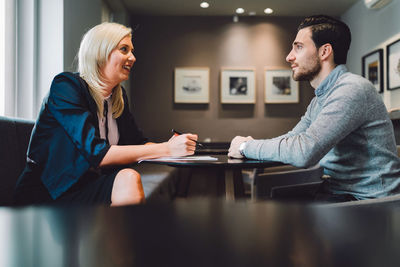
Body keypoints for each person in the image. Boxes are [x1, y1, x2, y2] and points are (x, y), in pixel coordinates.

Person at [14, 22, 198, 206]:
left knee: (127, 179)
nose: (132, 58)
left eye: (132, 51)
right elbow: (97, 154)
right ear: (100, 52)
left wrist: (174, 147)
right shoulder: (66, 87)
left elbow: (138, 143)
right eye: (124, 49)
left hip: (88, 186)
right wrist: (165, 148)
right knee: (129, 178)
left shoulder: (117, 97)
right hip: (49, 193)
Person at [229, 15, 400, 202]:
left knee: (272, 217)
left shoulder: (352, 89)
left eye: (298, 47)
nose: (289, 56)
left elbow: (304, 152)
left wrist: (246, 147)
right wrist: (251, 145)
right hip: (337, 192)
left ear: (324, 51)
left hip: (369, 202)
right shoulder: (321, 99)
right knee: (268, 207)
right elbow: (293, 139)